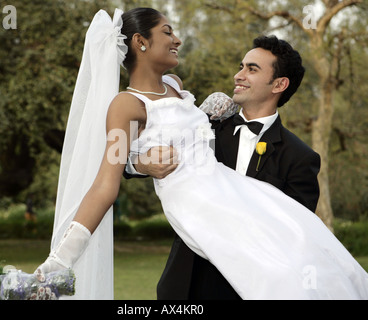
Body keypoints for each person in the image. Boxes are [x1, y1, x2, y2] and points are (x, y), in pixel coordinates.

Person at [34, 8, 368, 300]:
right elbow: (105, 184)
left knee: (305, 252)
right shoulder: (125, 105)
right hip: (200, 207)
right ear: (140, 43)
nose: (177, 39)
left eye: (252, 69)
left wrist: (203, 114)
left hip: (233, 190)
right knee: (280, 278)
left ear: (279, 85)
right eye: (167, 31)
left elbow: (184, 135)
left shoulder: (176, 86)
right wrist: (61, 260)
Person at [127, 36, 320, 299]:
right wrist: (140, 163)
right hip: (184, 285)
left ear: (279, 84)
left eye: (252, 69)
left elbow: (297, 238)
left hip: (248, 291)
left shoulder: (301, 158)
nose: (238, 75)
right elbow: (122, 163)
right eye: (241, 66)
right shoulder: (204, 126)